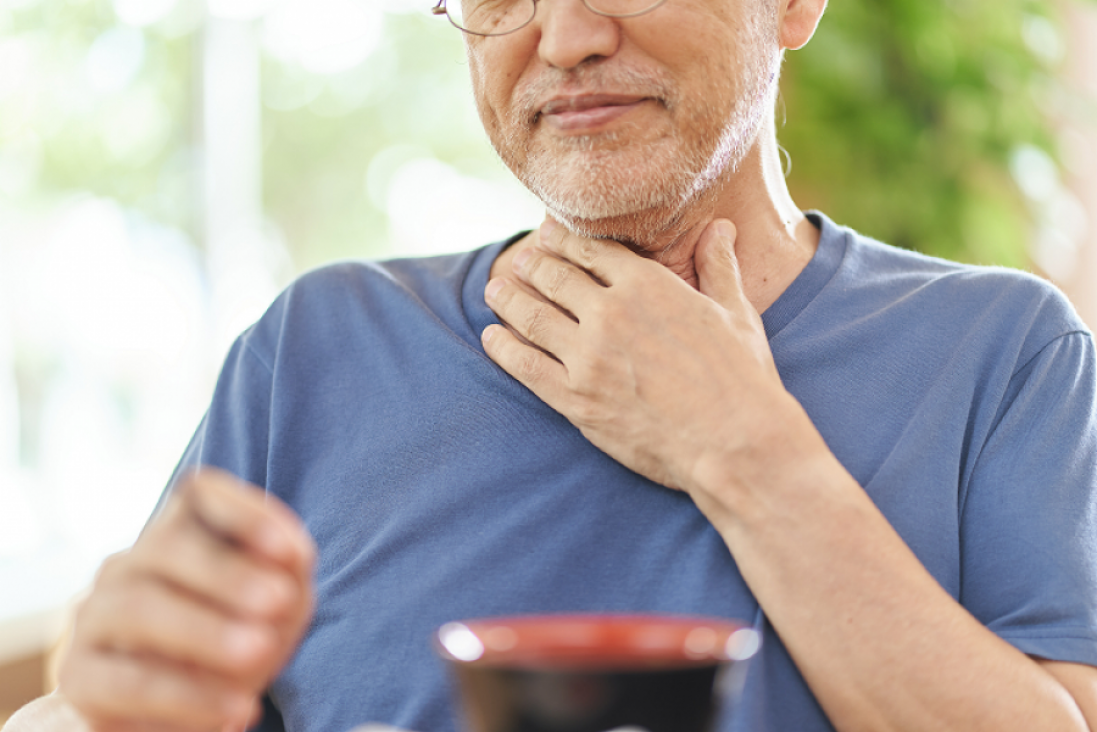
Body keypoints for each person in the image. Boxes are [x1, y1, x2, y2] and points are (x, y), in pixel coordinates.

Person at [6, 0, 1097, 729]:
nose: (565, 33)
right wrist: (103, 700)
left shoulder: (1003, 356)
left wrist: (741, 451)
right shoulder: (314, 351)